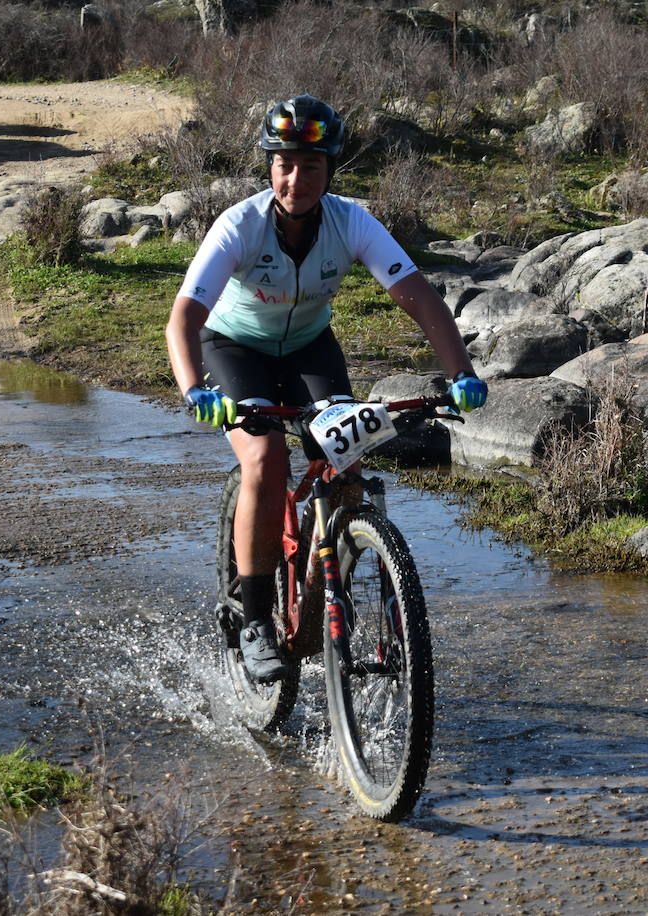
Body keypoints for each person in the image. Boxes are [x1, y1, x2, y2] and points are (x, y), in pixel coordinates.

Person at [165, 94, 488, 684]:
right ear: (269, 167)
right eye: (284, 164)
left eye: (311, 166)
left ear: (329, 172)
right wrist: (194, 389)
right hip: (233, 349)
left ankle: (328, 585)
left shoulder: (351, 222)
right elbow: (183, 318)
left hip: (310, 348)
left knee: (343, 459)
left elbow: (418, 297)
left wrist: (462, 371)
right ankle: (257, 620)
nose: (296, 179)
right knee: (265, 458)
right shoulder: (239, 225)